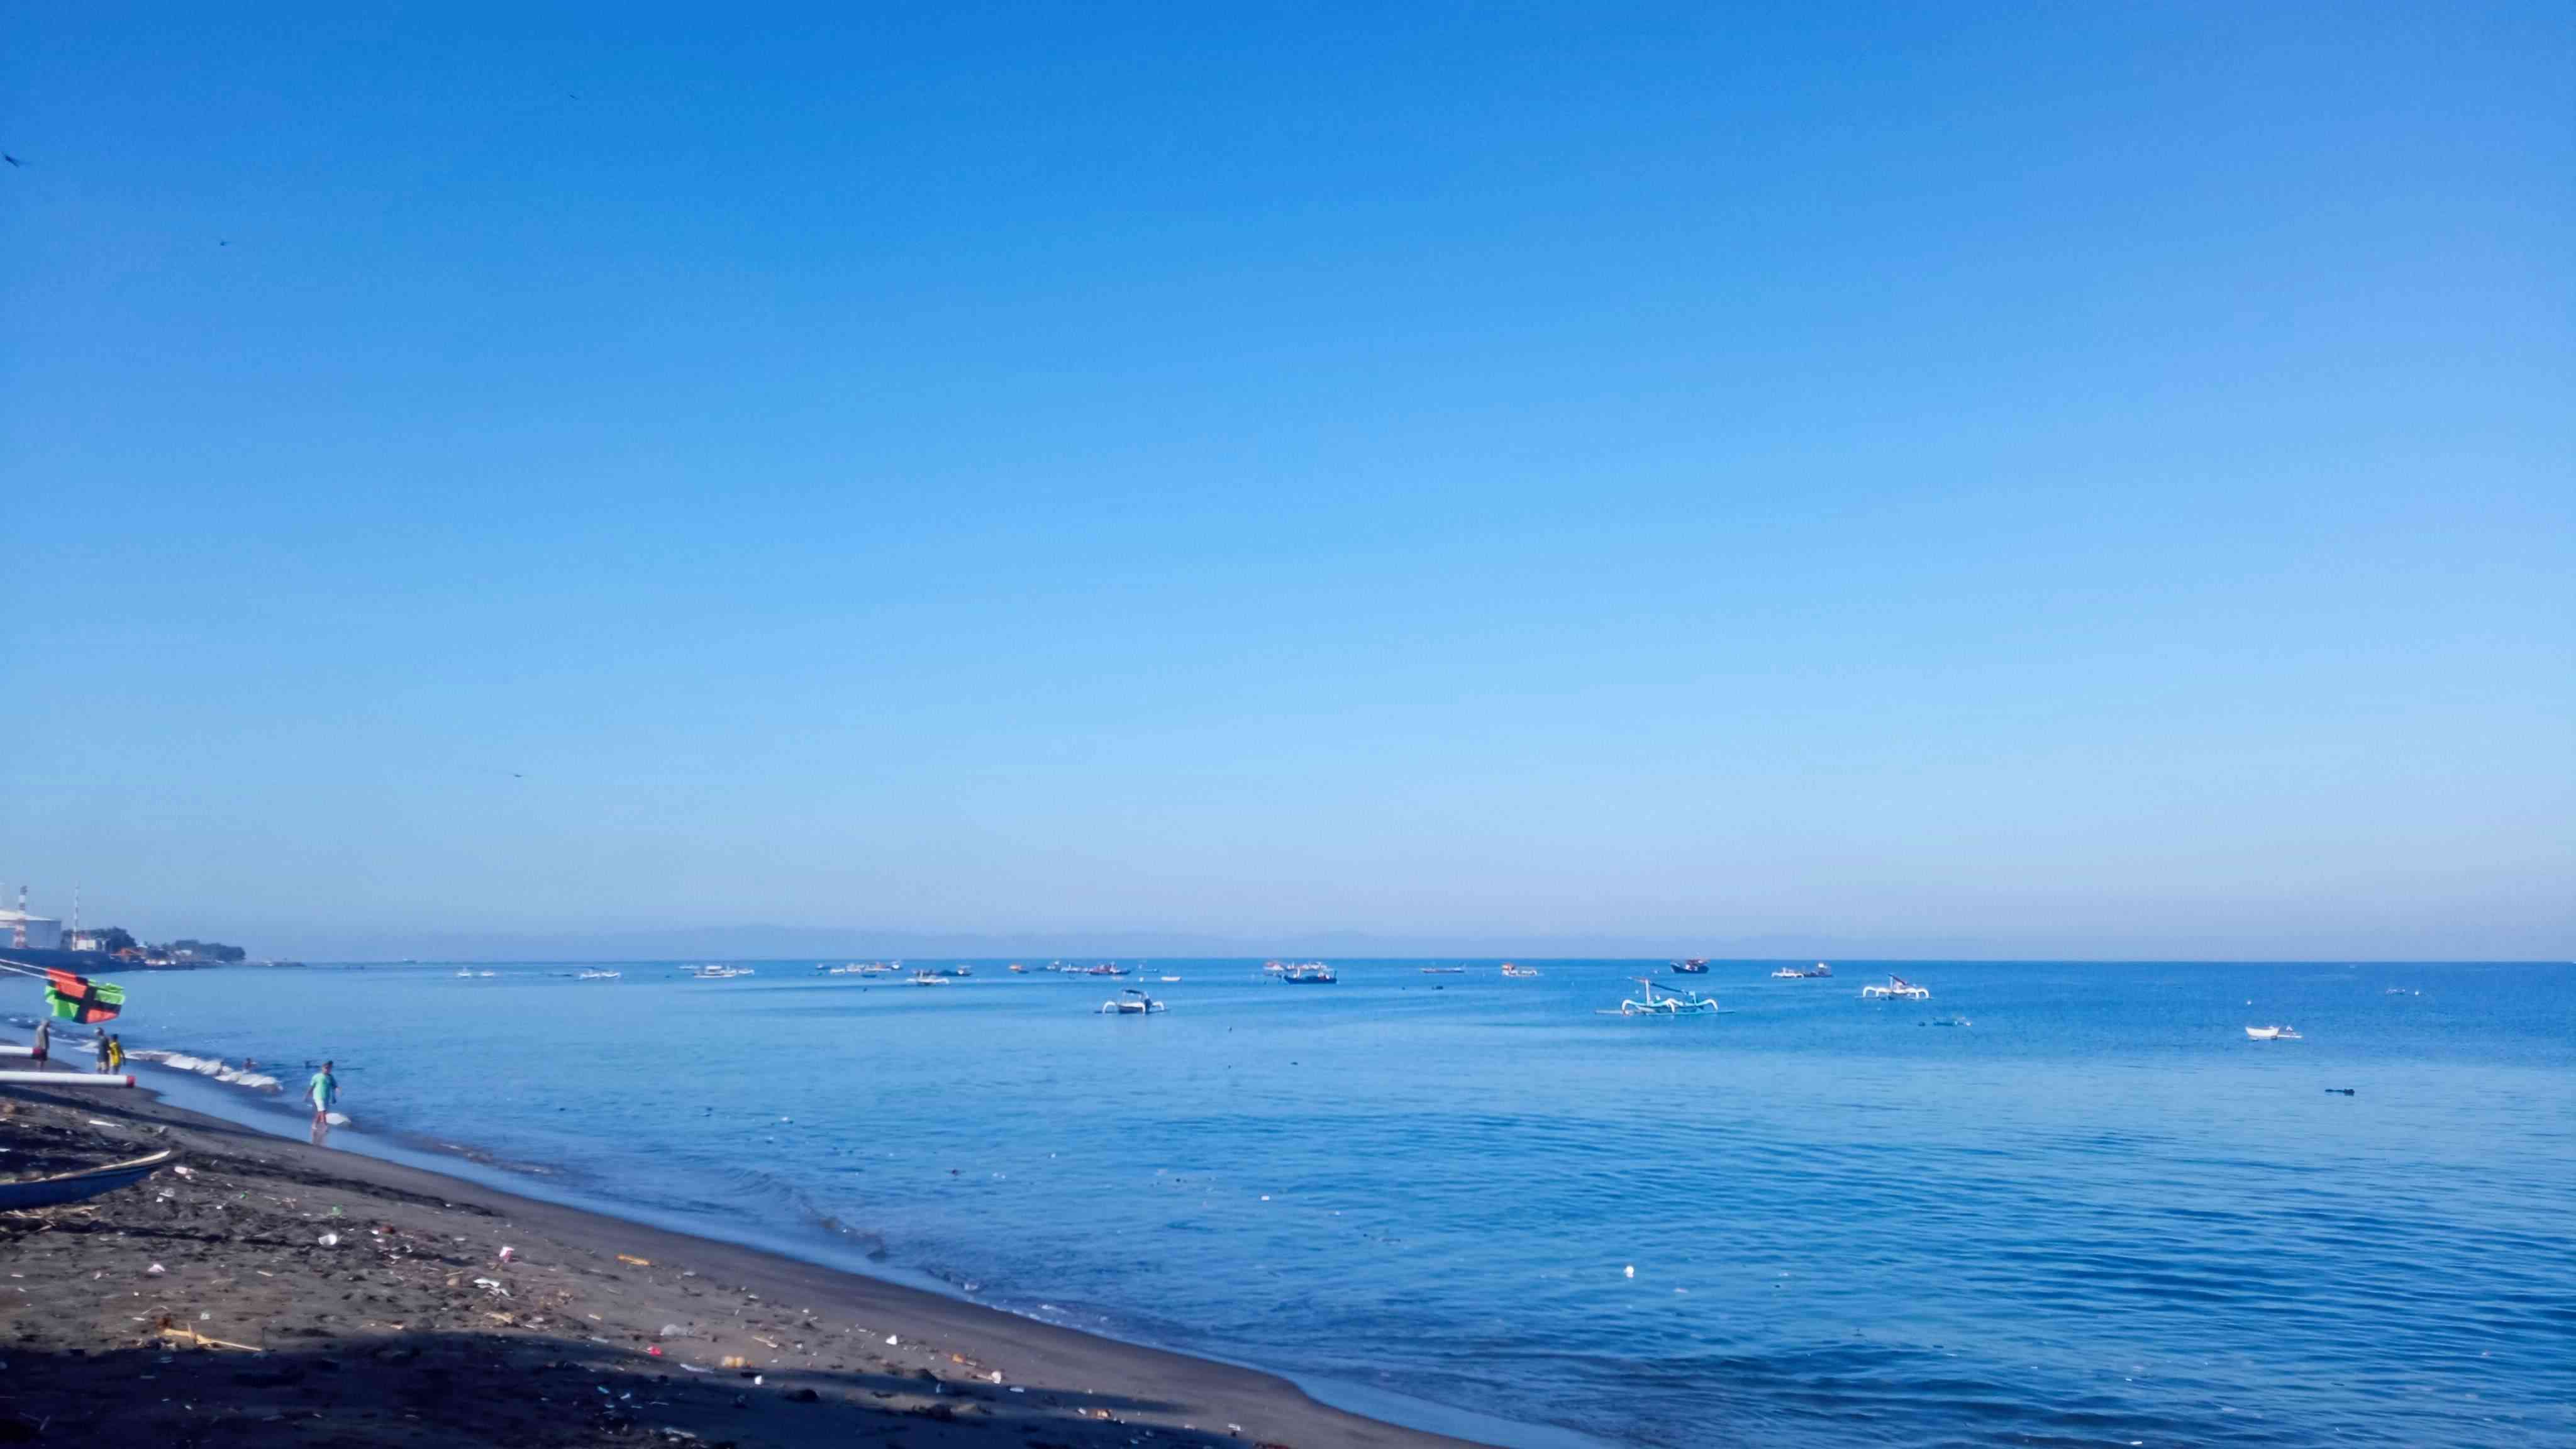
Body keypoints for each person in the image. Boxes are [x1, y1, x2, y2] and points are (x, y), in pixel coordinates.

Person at [307, 1060, 340, 1130]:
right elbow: (312, 1086)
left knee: (320, 1112)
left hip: (326, 1097)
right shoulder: (317, 1076)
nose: (327, 1070)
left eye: (329, 1068)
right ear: (322, 1068)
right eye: (326, 1068)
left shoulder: (331, 1077)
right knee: (323, 1111)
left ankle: (314, 1124)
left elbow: (334, 1086)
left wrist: (337, 1090)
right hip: (318, 1097)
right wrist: (308, 1094)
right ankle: (325, 1125)